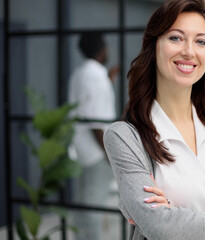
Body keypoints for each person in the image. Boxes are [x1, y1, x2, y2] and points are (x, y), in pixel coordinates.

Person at [103, 0, 205, 239]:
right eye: (176, 38)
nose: (189, 51)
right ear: (154, 46)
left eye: (200, 41)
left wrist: (178, 221)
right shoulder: (126, 137)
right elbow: (161, 228)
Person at [68, 32, 119, 240]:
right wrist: (111, 155)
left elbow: (85, 108)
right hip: (98, 152)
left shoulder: (80, 73)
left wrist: (107, 79)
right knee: (92, 209)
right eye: (106, 46)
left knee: (83, 206)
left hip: (80, 150)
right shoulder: (97, 77)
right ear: (101, 50)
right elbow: (96, 122)